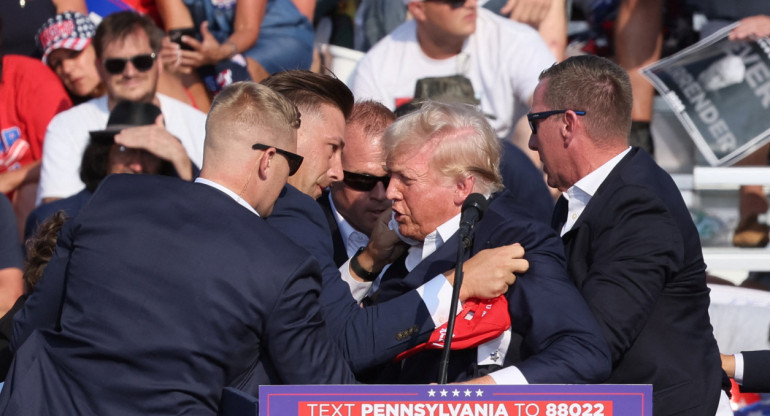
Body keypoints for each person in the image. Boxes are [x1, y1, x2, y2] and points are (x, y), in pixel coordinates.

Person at [0, 81, 356, 415]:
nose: (288, 182)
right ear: (268, 160)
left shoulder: (113, 196)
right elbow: (330, 395)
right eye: (291, 164)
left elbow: (28, 328)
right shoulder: (283, 265)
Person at [262, 70, 526, 375]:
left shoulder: (505, 233)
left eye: (396, 177)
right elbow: (346, 340)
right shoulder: (298, 217)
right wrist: (458, 284)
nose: (385, 193)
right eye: (360, 179)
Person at [527, 55, 725, 415]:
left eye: (534, 122)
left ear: (568, 124)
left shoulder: (640, 206)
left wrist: (490, 389)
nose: (531, 142)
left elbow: (594, 343)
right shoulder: (582, 197)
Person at [368, 101, 610, 385]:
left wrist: (478, 395)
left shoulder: (514, 243)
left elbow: (583, 352)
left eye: (405, 179)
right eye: (390, 176)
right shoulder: (394, 239)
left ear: (461, 187)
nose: (389, 193)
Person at [351, 0, 556, 163]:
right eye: (456, 1)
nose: (470, 3)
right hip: (418, 177)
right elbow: (362, 140)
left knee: (537, 120)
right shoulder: (378, 64)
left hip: (501, 172)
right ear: (418, 9)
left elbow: (555, 101)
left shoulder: (516, 40)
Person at [37, 11, 206, 204]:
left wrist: (183, 164)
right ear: (100, 68)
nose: (130, 72)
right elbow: (55, 216)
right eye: (116, 65)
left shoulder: (199, 124)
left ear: (158, 63)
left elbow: (220, 214)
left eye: (142, 61)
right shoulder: (65, 127)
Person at [25, 101, 183, 240]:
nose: (137, 165)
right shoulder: (55, 220)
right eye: (124, 150)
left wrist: (182, 160)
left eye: (149, 154)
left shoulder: (176, 219)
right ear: (103, 155)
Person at [0, 14, 73, 236]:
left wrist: (7, 180)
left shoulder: (30, 78)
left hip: (33, 210)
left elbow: (66, 156)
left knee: (29, 191)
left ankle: (29, 269)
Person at [156, 0, 314, 82]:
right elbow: (182, 37)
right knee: (178, 68)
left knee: (238, 69)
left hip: (277, 34)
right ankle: (202, 130)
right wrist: (178, 52)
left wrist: (221, 52)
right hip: (212, 46)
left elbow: (247, 29)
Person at [319, 100, 395, 269]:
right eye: (363, 180)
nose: (381, 194)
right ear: (332, 171)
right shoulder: (299, 229)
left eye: (391, 178)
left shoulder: (421, 233)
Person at [36, 11, 106, 105]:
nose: (66, 69)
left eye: (74, 53)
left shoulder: (130, 97)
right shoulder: (60, 115)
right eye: (57, 63)